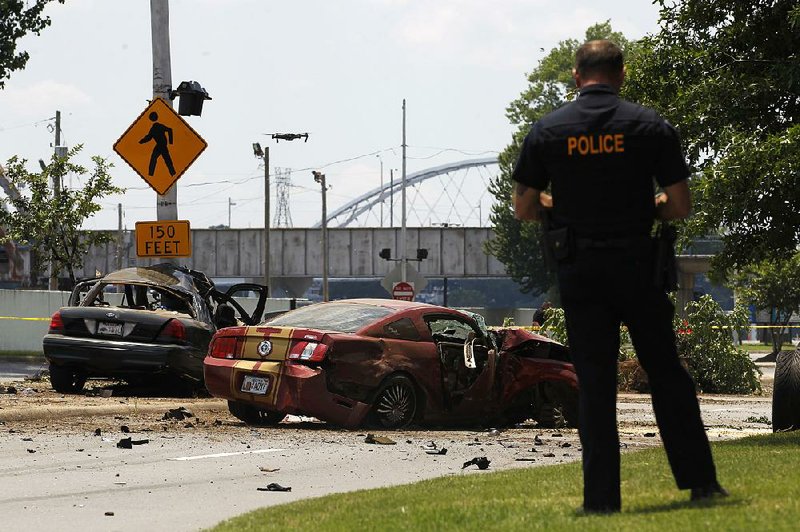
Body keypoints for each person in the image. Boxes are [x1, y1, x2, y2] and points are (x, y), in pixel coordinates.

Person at [511, 39, 726, 513]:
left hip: (581, 271)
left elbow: (525, 205)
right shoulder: (649, 126)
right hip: (638, 266)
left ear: (575, 77)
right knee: (666, 371)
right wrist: (648, 205)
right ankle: (701, 483)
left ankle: (601, 500)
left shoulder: (549, 131)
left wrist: (554, 203)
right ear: (621, 74)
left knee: (595, 381)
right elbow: (680, 204)